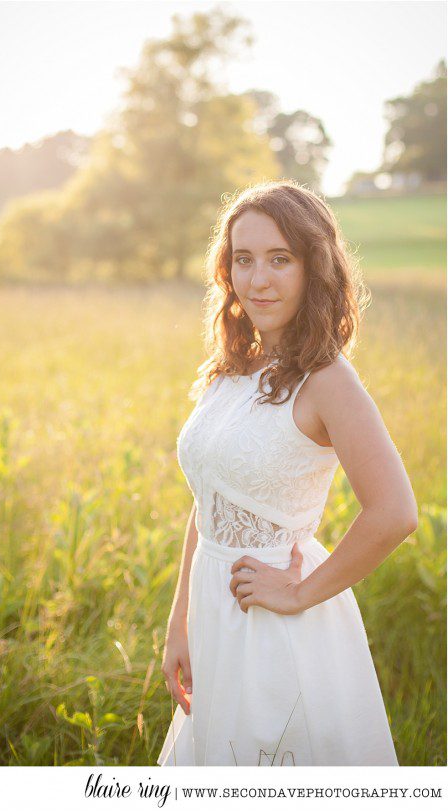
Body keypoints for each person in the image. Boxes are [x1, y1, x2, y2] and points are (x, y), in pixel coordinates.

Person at [158, 181, 417, 767]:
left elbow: (396, 512)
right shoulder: (232, 369)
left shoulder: (327, 379)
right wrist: (182, 623)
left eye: (281, 259)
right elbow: (210, 499)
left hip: (277, 618)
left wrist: (299, 593)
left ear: (313, 267)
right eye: (243, 260)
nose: (259, 279)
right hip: (214, 612)